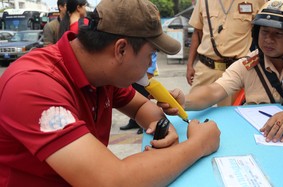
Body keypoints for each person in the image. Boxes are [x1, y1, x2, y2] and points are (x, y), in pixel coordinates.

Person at [0, 0, 220, 186]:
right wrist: (199, 144)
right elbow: (112, 181)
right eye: (150, 55)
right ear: (121, 49)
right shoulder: (33, 85)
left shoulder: (102, 73)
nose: (150, 65)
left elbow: (142, 106)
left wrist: (164, 127)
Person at [162, 0, 283, 143]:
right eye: (264, 32)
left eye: (278, 34)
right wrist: (183, 101)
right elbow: (214, 91)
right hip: (260, 136)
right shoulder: (247, 64)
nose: (268, 40)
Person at [186, 0, 266, 106]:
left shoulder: (257, 1)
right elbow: (197, 31)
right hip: (206, 68)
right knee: (191, 107)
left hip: (235, 71)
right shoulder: (203, 1)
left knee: (228, 113)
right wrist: (189, 64)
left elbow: (264, 30)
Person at [120, 51, 159, 134]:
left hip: (143, 71)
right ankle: (134, 122)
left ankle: (143, 123)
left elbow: (152, 53)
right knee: (133, 92)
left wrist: (150, 70)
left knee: (143, 94)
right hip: (132, 69)